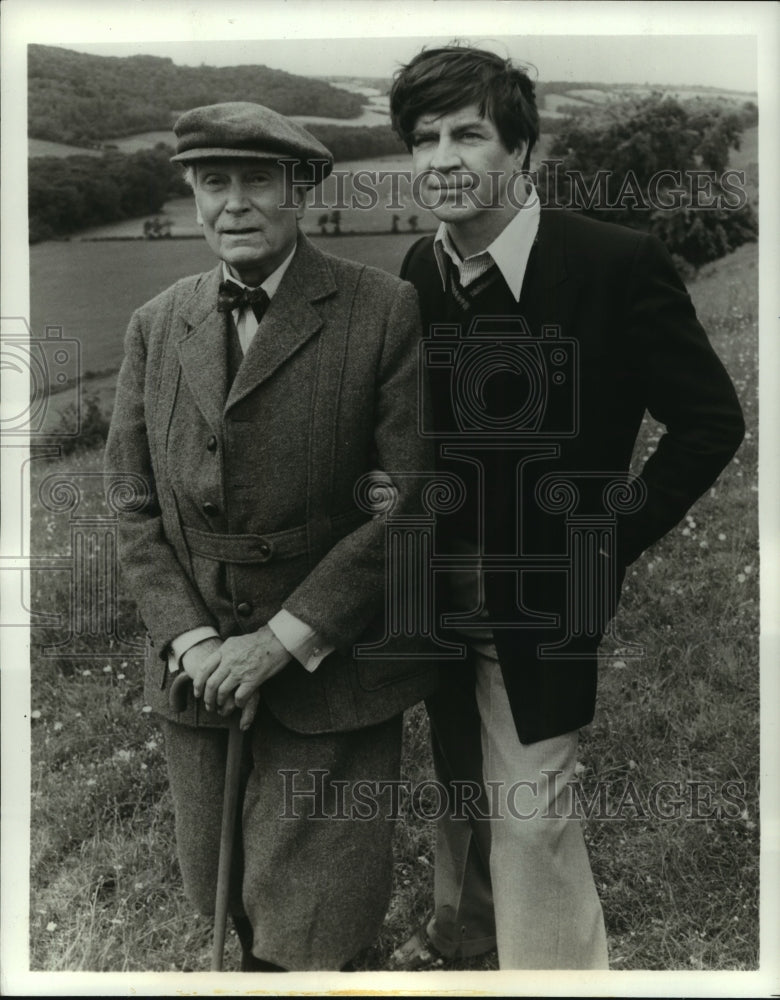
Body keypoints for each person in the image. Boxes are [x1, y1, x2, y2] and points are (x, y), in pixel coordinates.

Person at [387, 45, 745, 970]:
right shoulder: (416, 277)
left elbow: (710, 421)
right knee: (462, 781)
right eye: (423, 139)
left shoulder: (616, 264)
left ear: (521, 150)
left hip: (545, 595)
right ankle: (465, 938)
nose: (442, 157)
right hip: (431, 589)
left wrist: (609, 535)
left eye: (468, 132)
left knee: (530, 812)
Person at [104, 101, 436, 972]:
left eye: (259, 181)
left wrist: (281, 642)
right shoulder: (155, 324)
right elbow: (133, 505)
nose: (236, 203)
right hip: (197, 679)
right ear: (192, 197)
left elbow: (407, 502)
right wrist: (195, 640)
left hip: (333, 669)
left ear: (303, 194)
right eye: (215, 182)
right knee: (220, 893)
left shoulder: (381, 310)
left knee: (313, 925)